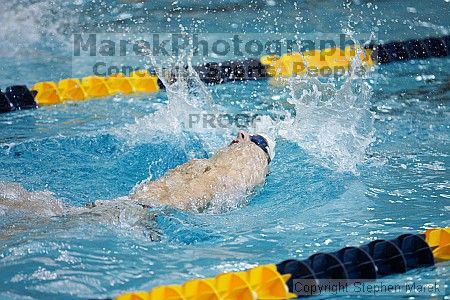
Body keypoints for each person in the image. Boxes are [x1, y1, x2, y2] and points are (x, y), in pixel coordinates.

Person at [0, 131, 274, 223]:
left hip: (135, 204)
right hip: (145, 212)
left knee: (46, 211)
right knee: (46, 219)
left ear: (242, 138)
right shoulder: (219, 166)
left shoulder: (246, 154)